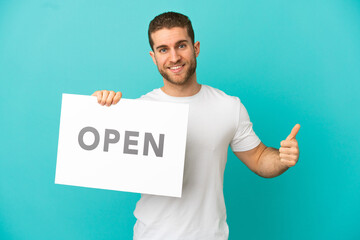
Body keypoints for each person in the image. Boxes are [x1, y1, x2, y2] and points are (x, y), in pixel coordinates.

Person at [92, 11, 300, 240]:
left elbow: (260, 158)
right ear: (154, 57)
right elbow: (103, 159)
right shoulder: (140, 110)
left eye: (181, 45)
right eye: (163, 49)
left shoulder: (228, 107)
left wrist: (281, 159)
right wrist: (100, 110)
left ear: (196, 48)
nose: (173, 57)